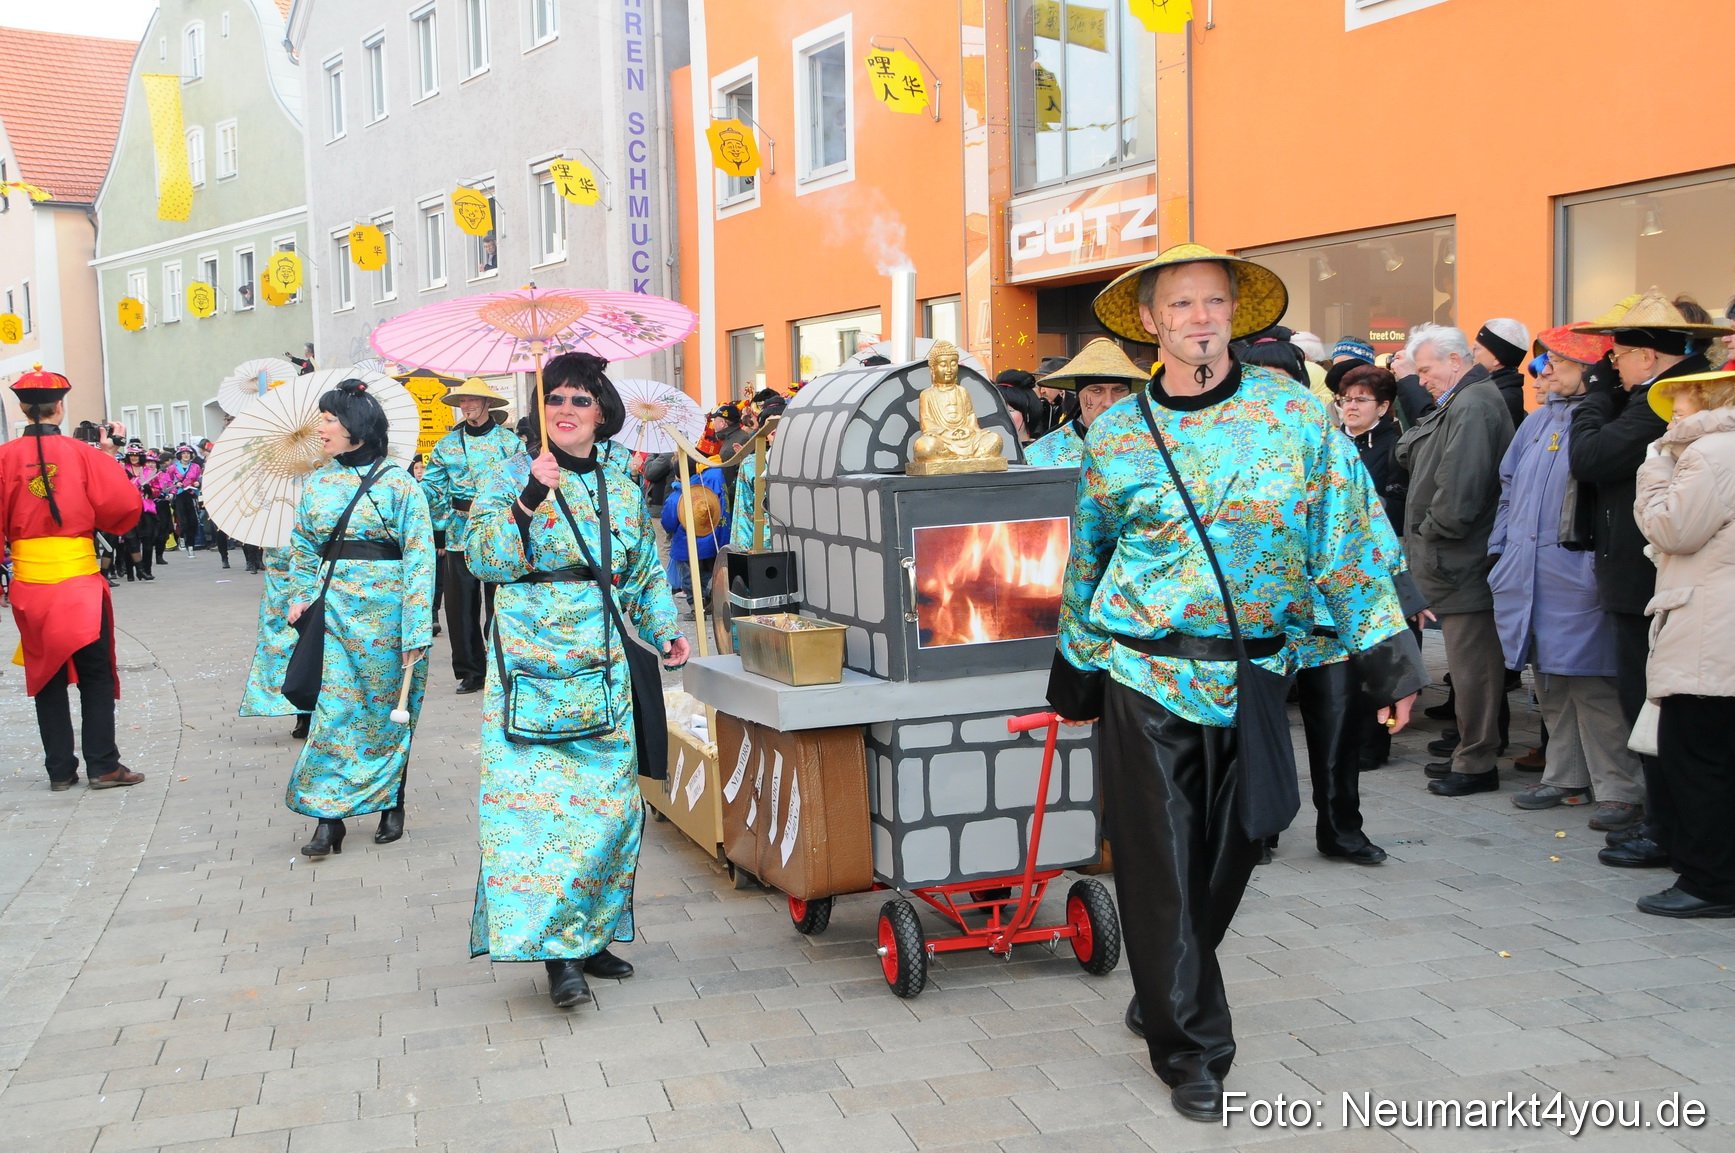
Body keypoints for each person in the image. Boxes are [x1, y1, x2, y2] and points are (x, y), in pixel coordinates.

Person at [1051, 245, 1422, 1121]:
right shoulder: (1115, 433)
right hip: (1144, 670)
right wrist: (1075, 671)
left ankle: (1164, 976)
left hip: (1257, 672)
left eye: (1213, 301)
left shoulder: (1294, 414)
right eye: (1179, 305)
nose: (1199, 317)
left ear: (1233, 314)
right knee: (1164, 864)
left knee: (1237, 847)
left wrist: (1388, 663)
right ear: (1150, 322)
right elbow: (1089, 556)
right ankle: (1192, 1051)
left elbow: (1350, 539)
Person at [464, 352, 689, 1008]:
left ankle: (591, 935)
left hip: (604, 664)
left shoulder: (620, 481)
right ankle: (558, 954)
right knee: (541, 817)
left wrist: (664, 628)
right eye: (554, 398)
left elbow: (643, 569)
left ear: (603, 412)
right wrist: (530, 495)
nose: (564, 409)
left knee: (610, 813)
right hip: (529, 667)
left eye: (579, 400)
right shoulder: (507, 472)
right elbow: (485, 559)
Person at [1572, 292, 1728, 869]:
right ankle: (1666, 824)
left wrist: (1591, 400)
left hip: (1656, 583)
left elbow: (1590, 458)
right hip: (1648, 579)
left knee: (1657, 708)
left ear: (1647, 358)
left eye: (1619, 355)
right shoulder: (1644, 400)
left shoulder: (1658, 406)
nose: (1610, 365)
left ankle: (1668, 829)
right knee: (1652, 708)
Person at [1489, 325, 1644, 831]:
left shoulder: (1606, 423)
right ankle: (1564, 777)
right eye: (1540, 362)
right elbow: (1508, 487)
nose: (1542, 370)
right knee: (1550, 679)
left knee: (1595, 682)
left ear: (1591, 368)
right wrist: (1500, 550)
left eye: (1554, 361)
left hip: (1576, 573)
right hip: (1529, 570)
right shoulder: (1536, 422)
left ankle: (1619, 788)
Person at [285, 381, 436, 858]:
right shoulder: (317, 482)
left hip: (390, 619)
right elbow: (304, 546)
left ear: (358, 428)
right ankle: (328, 820)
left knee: (392, 710)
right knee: (334, 714)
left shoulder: (400, 484)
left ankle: (393, 801)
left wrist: (416, 628)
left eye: (330, 419)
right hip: (333, 615)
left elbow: (420, 557)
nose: (321, 428)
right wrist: (301, 595)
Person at [0, 366, 146, 791]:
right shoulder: (84, 455)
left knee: (46, 673)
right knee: (95, 673)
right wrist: (107, 457)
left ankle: (60, 771)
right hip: (80, 580)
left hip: (30, 582)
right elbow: (121, 510)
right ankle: (103, 765)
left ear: (22, 407)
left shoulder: (5, 458)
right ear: (60, 407)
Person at [1394, 324, 1515, 796]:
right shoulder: (1461, 401)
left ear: (1455, 361)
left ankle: (1477, 761)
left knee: (1474, 667)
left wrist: (1430, 533)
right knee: (1469, 667)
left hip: (1460, 558)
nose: (1421, 379)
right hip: (1451, 556)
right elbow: (1415, 455)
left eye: (1426, 369)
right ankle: (1471, 751)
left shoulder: (1473, 402)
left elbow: (1460, 492)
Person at [1631, 368, 1735, 917]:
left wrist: (1655, 469)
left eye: (1680, 400)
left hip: (1709, 625)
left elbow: (1672, 530)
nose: (1673, 411)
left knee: (1695, 758)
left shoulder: (1710, 452)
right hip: (1719, 624)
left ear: (1707, 397)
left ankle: (1709, 882)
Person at [422, 379, 517, 694]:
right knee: (460, 605)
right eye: (462, 401)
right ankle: (470, 671)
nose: (467, 406)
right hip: (458, 531)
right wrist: (430, 525)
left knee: (499, 602)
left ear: (487, 403)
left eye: (473, 400)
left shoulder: (509, 443)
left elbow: (523, 485)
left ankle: (501, 662)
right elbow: (433, 489)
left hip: (499, 530)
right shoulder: (446, 445)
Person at [1023, 339, 1145, 467]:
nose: (1108, 402)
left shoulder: (1152, 443)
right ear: (1078, 394)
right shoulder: (1042, 455)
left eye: (1118, 390)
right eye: (1097, 391)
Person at [239, 546, 310, 739]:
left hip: (307, 592)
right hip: (279, 598)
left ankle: (308, 713)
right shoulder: (275, 536)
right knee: (290, 655)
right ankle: (303, 713)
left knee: (311, 652)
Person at [662, 462, 729, 609]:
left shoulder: (676, 498)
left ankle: (695, 608)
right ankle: (712, 596)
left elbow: (668, 523)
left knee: (689, 578)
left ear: (677, 475)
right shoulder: (705, 492)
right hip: (708, 543)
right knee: (705, 574)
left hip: (684, 546)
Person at [1473, 318, 1533, 428]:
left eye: (1476, 349)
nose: (1472, 354)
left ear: (1497, 359)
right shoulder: (1496, 391)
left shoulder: (1500, 399)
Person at [119, 445, 161, 581]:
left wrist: (150, 489)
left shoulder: (150, 471)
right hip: (129, 507)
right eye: (131, 454)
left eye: (136, 455)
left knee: (148, 540)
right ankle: (130, 571)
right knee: (130, 540)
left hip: (146, 508)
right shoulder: (122, 470)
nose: (134, 457)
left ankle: (146, 569)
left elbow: (158, 490)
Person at [162, 446, 203, 555]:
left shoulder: (196, 467)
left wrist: (198, 484)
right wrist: (175, 485)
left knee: (193, 522)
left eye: (188, 453)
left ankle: (191, 546)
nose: (186, 455)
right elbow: (167, 481)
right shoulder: (173, 468)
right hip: (179, 495)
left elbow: (200, 478)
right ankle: (181, 538)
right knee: (182, 521)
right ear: (180, 455)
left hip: (192, 494)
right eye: (184, 453)